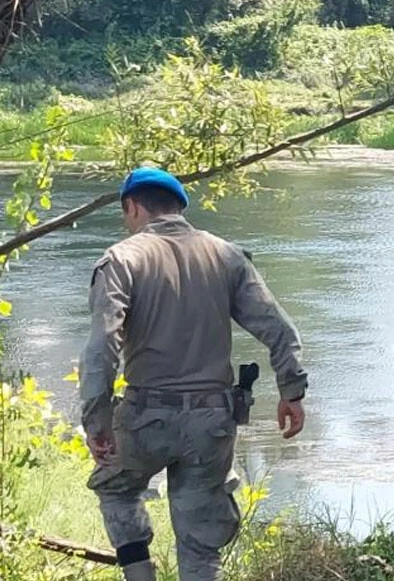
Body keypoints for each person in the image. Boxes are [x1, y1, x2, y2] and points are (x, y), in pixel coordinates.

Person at [79, 167, 309, 581]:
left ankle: (139, 573)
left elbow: (102, 347)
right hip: (212, 422)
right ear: (180, 208)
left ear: (133, 206)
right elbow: (280, 329)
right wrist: (291, 390)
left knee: (115, 487)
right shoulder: (226, 255)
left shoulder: (122, 259)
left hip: (144, 416)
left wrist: (97, 420)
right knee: (201, 544)